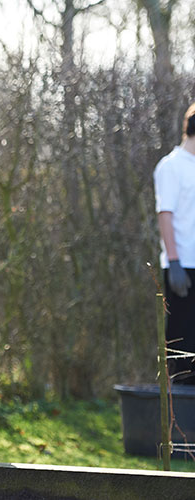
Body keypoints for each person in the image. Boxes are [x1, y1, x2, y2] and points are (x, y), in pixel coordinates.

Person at [153, 102, 195, 385]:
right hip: (183, 267)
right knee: (183, 341)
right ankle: (180, 418)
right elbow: (165, 215)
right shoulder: (171, 166)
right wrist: (175, 261)